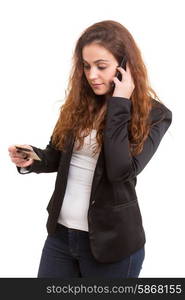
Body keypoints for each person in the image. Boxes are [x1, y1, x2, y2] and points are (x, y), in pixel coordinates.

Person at [8, 20, 172, 278]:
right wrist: (33, 158)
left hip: (112, 247)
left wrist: (120, 102)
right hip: (61, 238)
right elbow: (56, 155)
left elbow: (120, 171)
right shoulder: (80, 104)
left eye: (101, 66)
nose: (91, 75)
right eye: (86, 66)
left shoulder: (156, 115)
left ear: (125, 66)